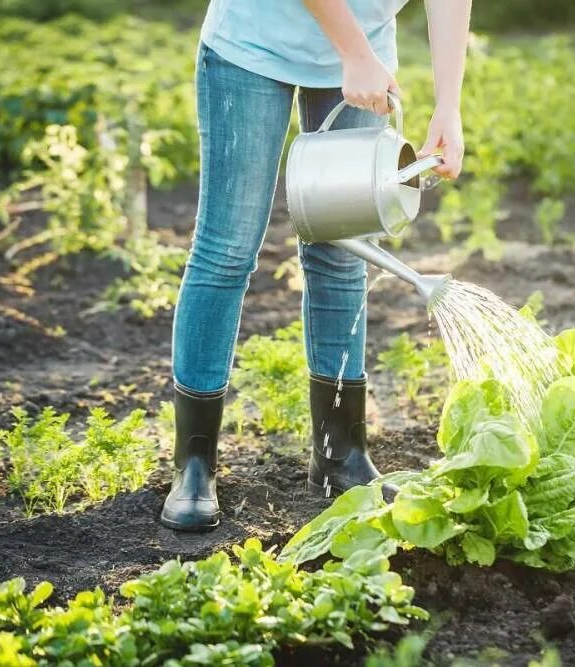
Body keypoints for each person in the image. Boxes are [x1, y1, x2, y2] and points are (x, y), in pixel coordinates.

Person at [161, 0, 472, 531]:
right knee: (227, 247)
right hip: (253, 45)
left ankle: (340, 455)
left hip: (363, 58)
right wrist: (352, 51)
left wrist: (448, 104)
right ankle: (194, 463)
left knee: (342, 246)